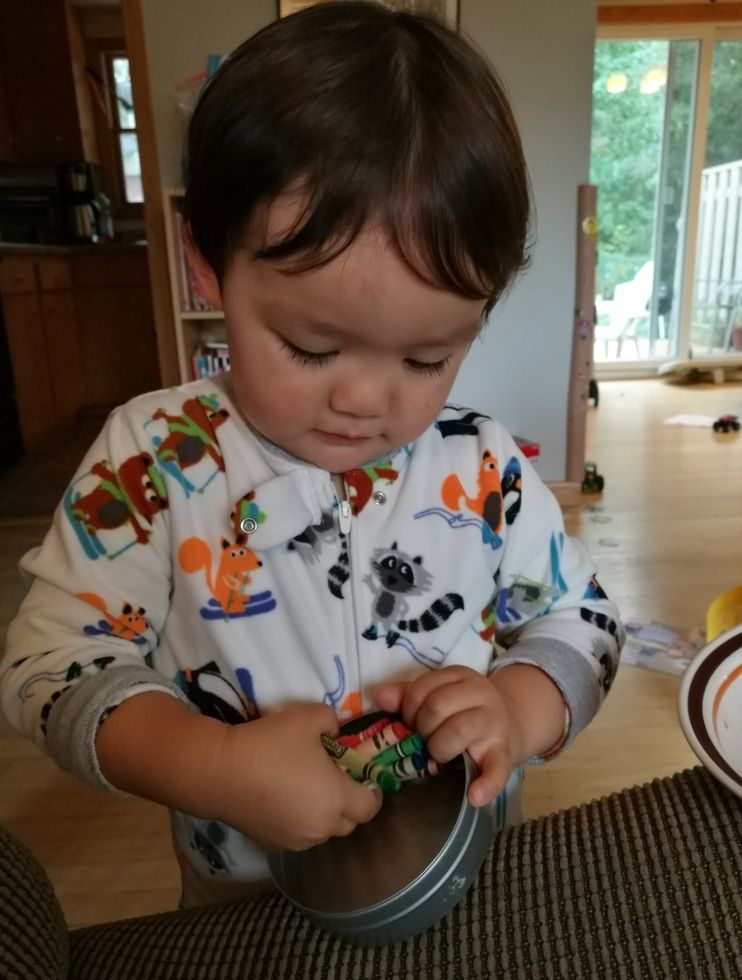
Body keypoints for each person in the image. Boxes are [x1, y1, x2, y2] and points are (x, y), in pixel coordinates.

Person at [0, 1, 624, 908]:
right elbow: (50, 665)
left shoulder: (482, 468)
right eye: (310, 346)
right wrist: (213, 765)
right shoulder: (155, 459)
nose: (366, 400)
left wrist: (520, 709)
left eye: (426, 358)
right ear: (207, 265)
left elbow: (583, 621)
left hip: (464, 878)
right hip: (245, 906)